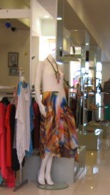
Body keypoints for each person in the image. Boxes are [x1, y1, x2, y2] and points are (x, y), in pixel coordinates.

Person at [34, 52, 78, 186]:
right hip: (49, 102)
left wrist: (66, 107)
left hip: (61, 102)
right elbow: (36, 86)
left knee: (57, 140)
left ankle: (47, 173)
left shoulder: (59, 67)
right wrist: (40, 104)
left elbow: (61, 87)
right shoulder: (42, 64)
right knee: (49, 138)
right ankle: (42, 171)